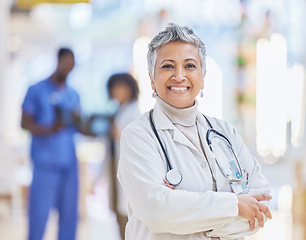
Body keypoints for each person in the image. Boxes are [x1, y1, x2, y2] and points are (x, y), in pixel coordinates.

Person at [117, 23, 272, 240]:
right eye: (168, 66)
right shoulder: (138, 136)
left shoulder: (225, 132)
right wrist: (235, 205)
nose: (179, 76)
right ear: (152, 78)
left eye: (189, 66)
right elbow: (157, 212)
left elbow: (260, 207)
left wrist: (189, 218)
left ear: (203, 76)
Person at [21, 48, 81, 240]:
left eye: (72, 65)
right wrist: (50, 129)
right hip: (45, 163)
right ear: (58, 60)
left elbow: (77, 125)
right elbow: (24, 122)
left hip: (69, 163)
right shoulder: (36, 90)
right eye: (66, 63)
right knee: (39, 215)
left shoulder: (73, 95)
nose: (68, 68)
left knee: (70, 216)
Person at [106, 73, 141, 240]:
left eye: (122, 87)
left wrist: (120, 135)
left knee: (128, 218)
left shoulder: (135, 113)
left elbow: (136, 143)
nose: (117, 92)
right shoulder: (119, 112)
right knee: (118, 214)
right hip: (116, 168)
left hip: (128, 172)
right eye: (115, 88)